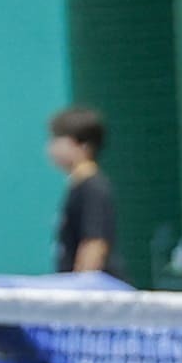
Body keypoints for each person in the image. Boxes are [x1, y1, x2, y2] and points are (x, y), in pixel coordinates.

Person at [49, 108, 117, 278]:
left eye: (59, 140)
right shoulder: (76, 186)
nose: (52, 147)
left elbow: (94, 243)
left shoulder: (93, 188)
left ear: (84, 146)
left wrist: (82, 290)